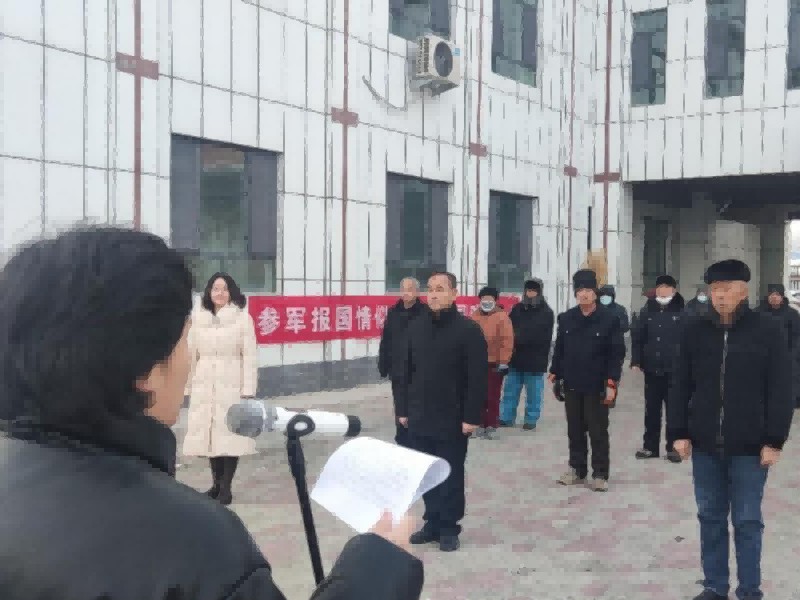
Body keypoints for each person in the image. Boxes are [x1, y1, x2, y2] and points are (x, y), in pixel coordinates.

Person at [0, 226, 424, 600]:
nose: (186, 356)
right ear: (145, 371)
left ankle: (224, 482)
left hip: (229, 388)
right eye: (182, 341)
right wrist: (376, 572)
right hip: (208, 394)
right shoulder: (196, 544)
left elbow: (249, 355)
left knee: (226, 443)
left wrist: (246, 388)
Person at [667, 259, 793, 600]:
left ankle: (749, 589)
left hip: (751, 447)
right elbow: (680, 384)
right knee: (710, 517)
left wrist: (775, 440)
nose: (720, 296)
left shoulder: (767, 330)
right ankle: (714, 586)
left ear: (744, 291)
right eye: (715, 289)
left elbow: (781, 388)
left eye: (727, 289)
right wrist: (677, 432)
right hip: (705, 444)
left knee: (747, 520)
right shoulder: (694, 329)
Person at [396, 271, 488, 552]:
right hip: (419, 415)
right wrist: (402, 409)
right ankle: (432, 522)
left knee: (450, 473)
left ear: (454, 294)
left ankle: (449, 527)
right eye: (431, 289)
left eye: (440, 289)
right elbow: (403, 372)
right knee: (426, 473)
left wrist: (471, 417)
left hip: (452, 417)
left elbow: (477, 378)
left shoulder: (468, 330)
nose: (434, 294)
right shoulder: (415, 327)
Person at [182, 272, 257, 506]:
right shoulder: (199, 319)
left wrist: (248, 388)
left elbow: (250, 356)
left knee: (230, 436)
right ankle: (215, 485)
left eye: (224, 289)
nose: (220, 293)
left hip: (231, 383)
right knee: (210, 436)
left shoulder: (242, 319)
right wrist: (187, 386)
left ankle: (226, 488)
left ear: (231, 292)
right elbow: (191, 355)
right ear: (209, 292)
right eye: (215, 289)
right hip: (204, 383)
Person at [549, 269, 626, 492]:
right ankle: (577, 469)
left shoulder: (610, 319)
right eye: (579, 290)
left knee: (597, 430)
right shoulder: (567, 318)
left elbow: (616, 354)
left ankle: (600, 474)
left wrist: (612, 382)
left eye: (588, 290)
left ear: (595, 292)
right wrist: (555, 373)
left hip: (597, 385)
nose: (583, 294)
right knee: (575, 430)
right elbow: (560, 349)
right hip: (572, 383)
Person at [630, 274, 685, 463]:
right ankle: (650, 447)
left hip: (675, 370)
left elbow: (690, 341)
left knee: (674, 411)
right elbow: (638, 337)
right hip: (652, 369)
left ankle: (673, 448)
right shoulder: (647, 310)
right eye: (660, 287)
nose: (663, 290)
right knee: (651, 410)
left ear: (674, 290)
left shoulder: (683, 311)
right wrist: (636, 360)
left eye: (667, 287)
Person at [500, 278, 555, 430]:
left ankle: (531, 419)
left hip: (535, 360)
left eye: (534, 290)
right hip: (516, 359)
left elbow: (544, 336)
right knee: (510, 392)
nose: (530, 293)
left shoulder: (546, 312)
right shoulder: (517, 309)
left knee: (534, 394)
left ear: (539, 292)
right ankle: (506, 417)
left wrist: (521, 338)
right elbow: (508, 328)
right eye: (528, 290)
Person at [378, 277, 424, 448]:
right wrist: (383, 364)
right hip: (397, 367)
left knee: (416, 404)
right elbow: (386, 340)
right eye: (403, 289)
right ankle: (402, 439)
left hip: (418, 369)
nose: (406, 292)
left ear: (417, 292)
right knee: (400, 404)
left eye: (410, 289)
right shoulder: (394, 312)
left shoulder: (425, 313)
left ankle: (417, 438)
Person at [470, 286, 514, 439]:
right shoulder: (474, 316)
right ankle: (479, 424)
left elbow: (507, 340)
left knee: (492, 396)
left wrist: (504, 361)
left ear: (495, 300)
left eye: (489, 299)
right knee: (477, 395)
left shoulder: (502, 317)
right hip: (476, 363)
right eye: (484, 298)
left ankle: (492, 425)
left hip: (494, 363)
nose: (486, 301)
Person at [757, 283, 800, 408]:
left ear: (782, 296)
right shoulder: (758, 312)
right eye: (771, 294)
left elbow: (797, 336)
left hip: (786, 356)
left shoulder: (792, 314)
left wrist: (791, 354)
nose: (774, 297)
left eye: (777, 295)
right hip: (764, 356)